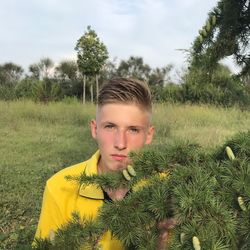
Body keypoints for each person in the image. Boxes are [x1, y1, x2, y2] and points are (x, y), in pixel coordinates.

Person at [34, 77, 171, 249]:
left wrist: (162, 237)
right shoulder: (60, 188)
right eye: (110, 127)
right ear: (94, 129)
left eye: (133, 130)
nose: (120, 143)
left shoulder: (166, 186)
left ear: (149, 135)